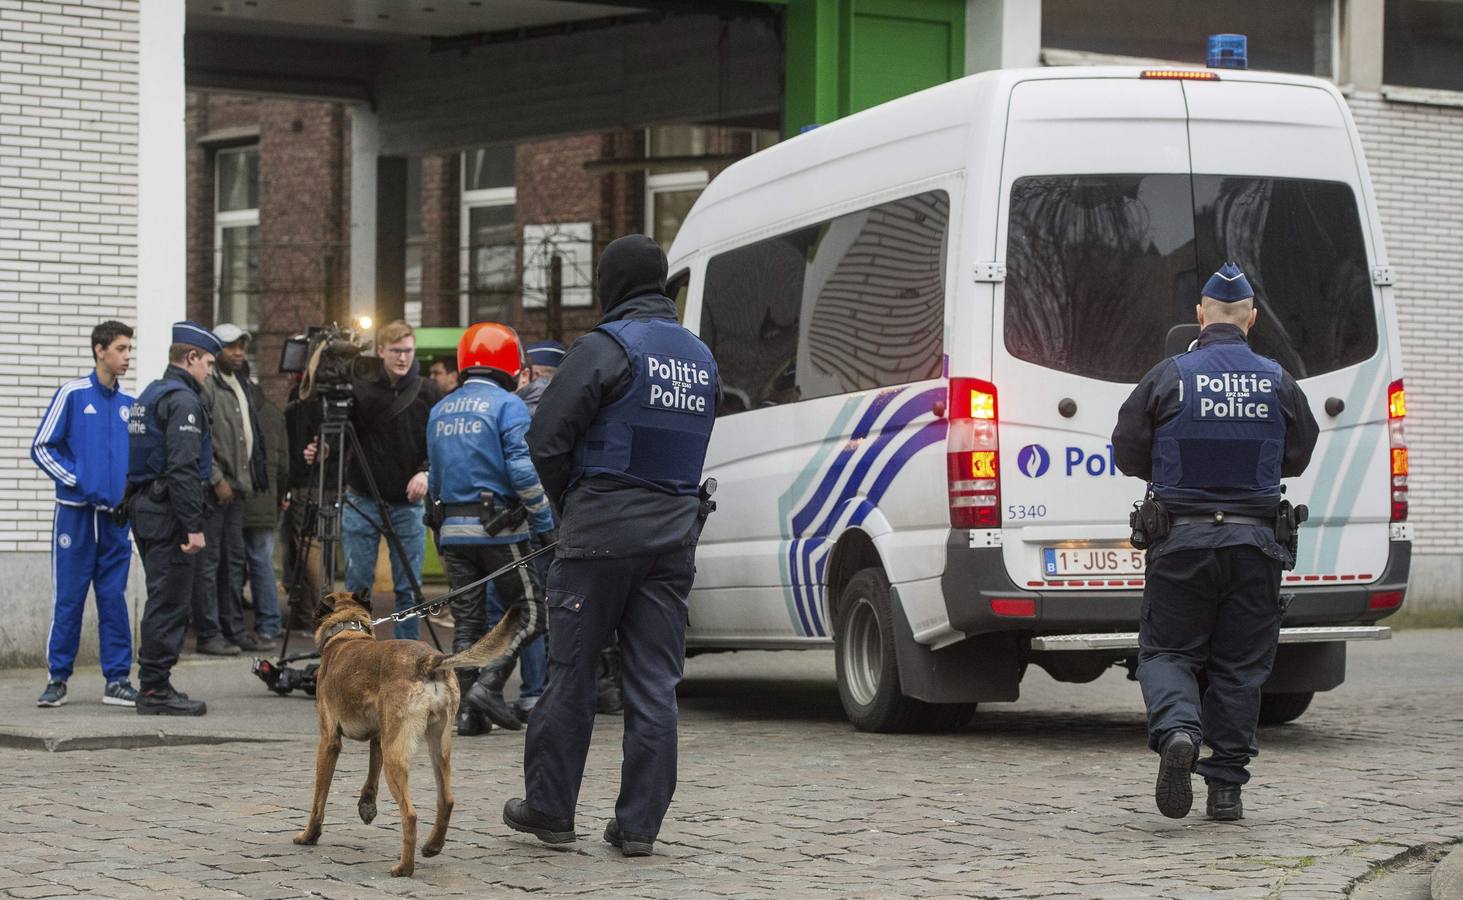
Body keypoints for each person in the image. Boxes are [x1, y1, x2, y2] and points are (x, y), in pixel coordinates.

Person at [504, 234, 719, 857]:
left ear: (612, 284)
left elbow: (545, 438)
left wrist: (574, 503)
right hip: (673, 538)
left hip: (599, 536)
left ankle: (550, 809)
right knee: (654, 683)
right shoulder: (701, 358)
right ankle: (638, 827)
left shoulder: (605, 347)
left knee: (571, 673)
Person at [1112, 263, 1319, 822]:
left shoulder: (1169, 376)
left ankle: (1179, 729)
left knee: (1167, 653)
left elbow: (1128, 451)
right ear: (1251, 319)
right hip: (1256, 547)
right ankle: (1226, 790)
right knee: (1239, 667)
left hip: (1181, 542)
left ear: (1200, 316)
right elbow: (1298, 454)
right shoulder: (1277, 380)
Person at [426, 323, 554, 737]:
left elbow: (434, 479)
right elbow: (521, 468)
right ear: (509, 362)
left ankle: (466, 714)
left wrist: (440, 531)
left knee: (468, 624)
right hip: (500, 532)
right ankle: (490, 686)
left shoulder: (440, 409)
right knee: (532, 612)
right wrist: (544, 522)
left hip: (453, 534)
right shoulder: (508, 405)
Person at [30, 320, 139, 708]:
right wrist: (79, 480)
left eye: (129, 350)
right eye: (122, 349)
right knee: (70, 598)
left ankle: (117, 680)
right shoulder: (72, 395)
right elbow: (42, 447)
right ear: (100, 350)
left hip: (114, 521)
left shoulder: (130, 406)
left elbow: (136, 462)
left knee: (114, 599)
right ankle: (57, 680)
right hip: (74, 517)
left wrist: (129, 498)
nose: (128, 356)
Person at [306, 320, 438, 639]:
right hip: (363, 498)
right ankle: (358, 650)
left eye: (408, 351)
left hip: (407, 504)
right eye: (396, 351)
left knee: (409, 589)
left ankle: (405, 655)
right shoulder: (361, 390)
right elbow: (343, 437)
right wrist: (324, 447)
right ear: (382, 351)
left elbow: (437, 442)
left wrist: (426, 471)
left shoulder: (427, 391)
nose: (403, 358)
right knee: (358, 589)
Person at [127, 322, 222, 716]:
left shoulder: (150, 393)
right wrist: (193, 525)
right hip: (169, 517)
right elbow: (182, 468)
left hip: (146, 510)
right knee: (170, 602)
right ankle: (153, 689)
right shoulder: (183, 402)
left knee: (162, 597)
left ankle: (155, 683)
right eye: (208, 363)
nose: (210, 372)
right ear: (191, 358)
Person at [194, 323, 271, 655]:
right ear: (215, 350)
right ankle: (209, 633)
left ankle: (234, 629)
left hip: (238, 489)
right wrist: (216, 478)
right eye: (231, 347)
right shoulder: (209, 385)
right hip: (216, 489)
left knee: (234, 563)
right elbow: (200, 438)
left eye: (242, 346)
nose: (238, 352)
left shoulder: (240, 384)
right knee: (211, 564)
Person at [241, 362, 289, 642]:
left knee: (231, 564)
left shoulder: (232, 406)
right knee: (262, 562)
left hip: (237, 499)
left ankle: (232, 624)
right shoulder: (273, 412)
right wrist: (279, 497)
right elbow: (284, 466)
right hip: (267, 501)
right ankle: (269, 623)